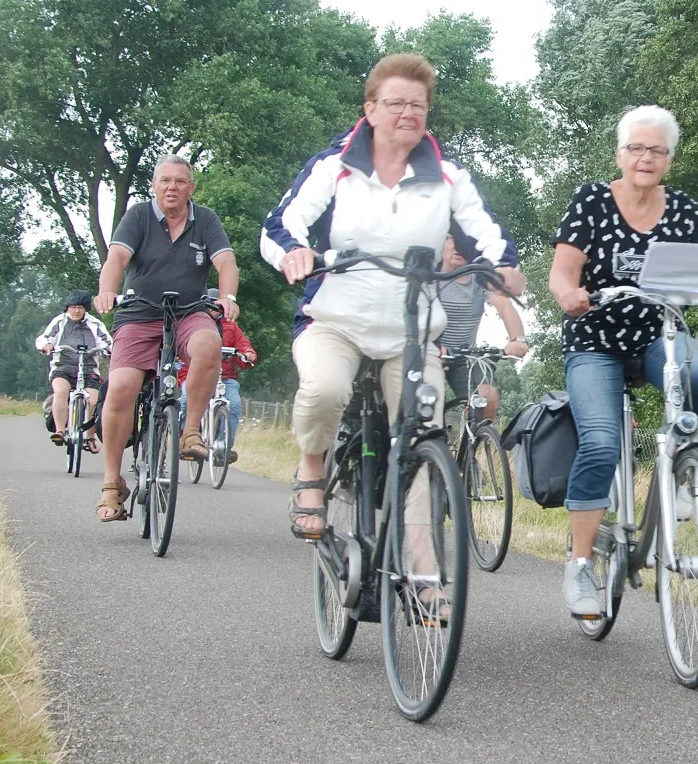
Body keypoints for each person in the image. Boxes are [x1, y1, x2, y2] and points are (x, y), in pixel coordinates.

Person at [261, 52, 525, 541]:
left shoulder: (448, 177)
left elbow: (490, 234)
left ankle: (423, 569)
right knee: (325, 390)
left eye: (418, 105)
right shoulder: (334, 167)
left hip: (412, 332)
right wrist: (295, 253)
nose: (408, 114)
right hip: (334, 319)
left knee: (422, 434)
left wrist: (502, 267)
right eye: (396, 103)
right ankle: (312, 471)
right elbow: (280, 225)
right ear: (371, 109)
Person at [548, 104, 698, 618]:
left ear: (669, 158)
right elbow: (562, 272)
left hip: (655, 335)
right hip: (595, 339)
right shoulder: (593, 200)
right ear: (620, 154)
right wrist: (569, 296)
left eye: (657, 150)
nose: (646, 158)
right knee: (600, 443)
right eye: (637, 148)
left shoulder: (682, 208)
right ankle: (580, 567)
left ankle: (683, 467)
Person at [91, 156, 240, 522]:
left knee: (208, 345)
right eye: (164, 181)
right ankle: (113, 483)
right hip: (140, 312)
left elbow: (226, 263)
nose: (172, 187)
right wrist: (107, 292)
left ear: (191, 188)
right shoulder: (138, 216)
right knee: (123, 386)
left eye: (180, 181)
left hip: (190, 310)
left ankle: (190, 432)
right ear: (154, 186)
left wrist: (228, 298)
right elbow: (116, 258)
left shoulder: (205, 220)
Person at [435, 234, 529, 420]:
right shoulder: (432, 277)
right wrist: (432, 345)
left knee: (488, 397)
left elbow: (503, 304)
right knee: (429, 405)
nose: (458, 247)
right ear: (441, 243)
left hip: (463, 356)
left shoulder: (479, 279)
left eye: (465, 242)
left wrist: (517, 339)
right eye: (452, 239)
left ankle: (476, 439)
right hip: (431, 353)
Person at [35, 290, 113, 452]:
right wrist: (46, 346)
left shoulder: (95, 324)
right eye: (72, 307)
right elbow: (44, 338)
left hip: (88, 369)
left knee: (93, 401)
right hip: (63, 367)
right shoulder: (60, 322)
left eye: (80, 307)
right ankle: (60, 431)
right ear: (67, 308)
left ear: (85, 309)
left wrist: (109, 350)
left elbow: (107, 341)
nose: (76, 311)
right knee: (61, 392)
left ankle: (89, 437)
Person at [177, 315, 257, 458]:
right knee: (184, 402)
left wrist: (248, 353)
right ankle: (184, 437)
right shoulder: (192, 324)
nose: (214, 310)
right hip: (195, 377)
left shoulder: (231, 327)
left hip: (225, 378)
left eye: (217, 307)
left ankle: (223, 447)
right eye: (211, 305)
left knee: (233, 404)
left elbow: (243, 345)